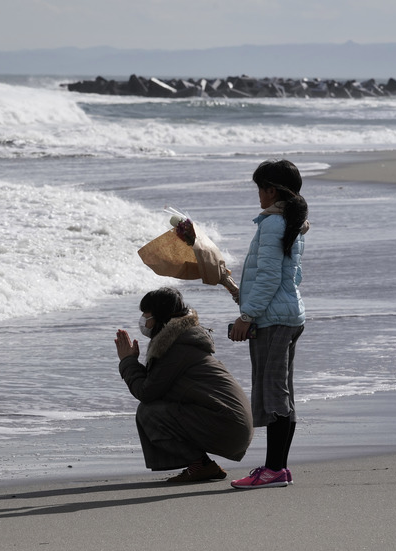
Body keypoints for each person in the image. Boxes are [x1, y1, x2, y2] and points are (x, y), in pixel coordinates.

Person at [114, 287, 254, 483]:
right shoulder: (181, 340)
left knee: (148, 412)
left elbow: (146, 392)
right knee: (156, 407)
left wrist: (127, 362)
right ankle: (202, 465)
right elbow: (156, 384)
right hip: (231, 425)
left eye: (146, 315)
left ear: (159, 317)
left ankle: (200, 466)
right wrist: (133, 362)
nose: (143, 321)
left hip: (229, 427)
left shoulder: (176, 348)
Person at [227, 158, 310, 489]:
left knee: (274, 394)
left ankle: (274, 470)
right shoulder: (292, 223)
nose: (257, 195)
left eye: (260, 188)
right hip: (288, 315)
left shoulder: (274, 224)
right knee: (282, 393)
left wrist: (247, 316)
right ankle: (279, 468)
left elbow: (269, 277)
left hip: (273, 320)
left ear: (271, 190)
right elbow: (293, 275)